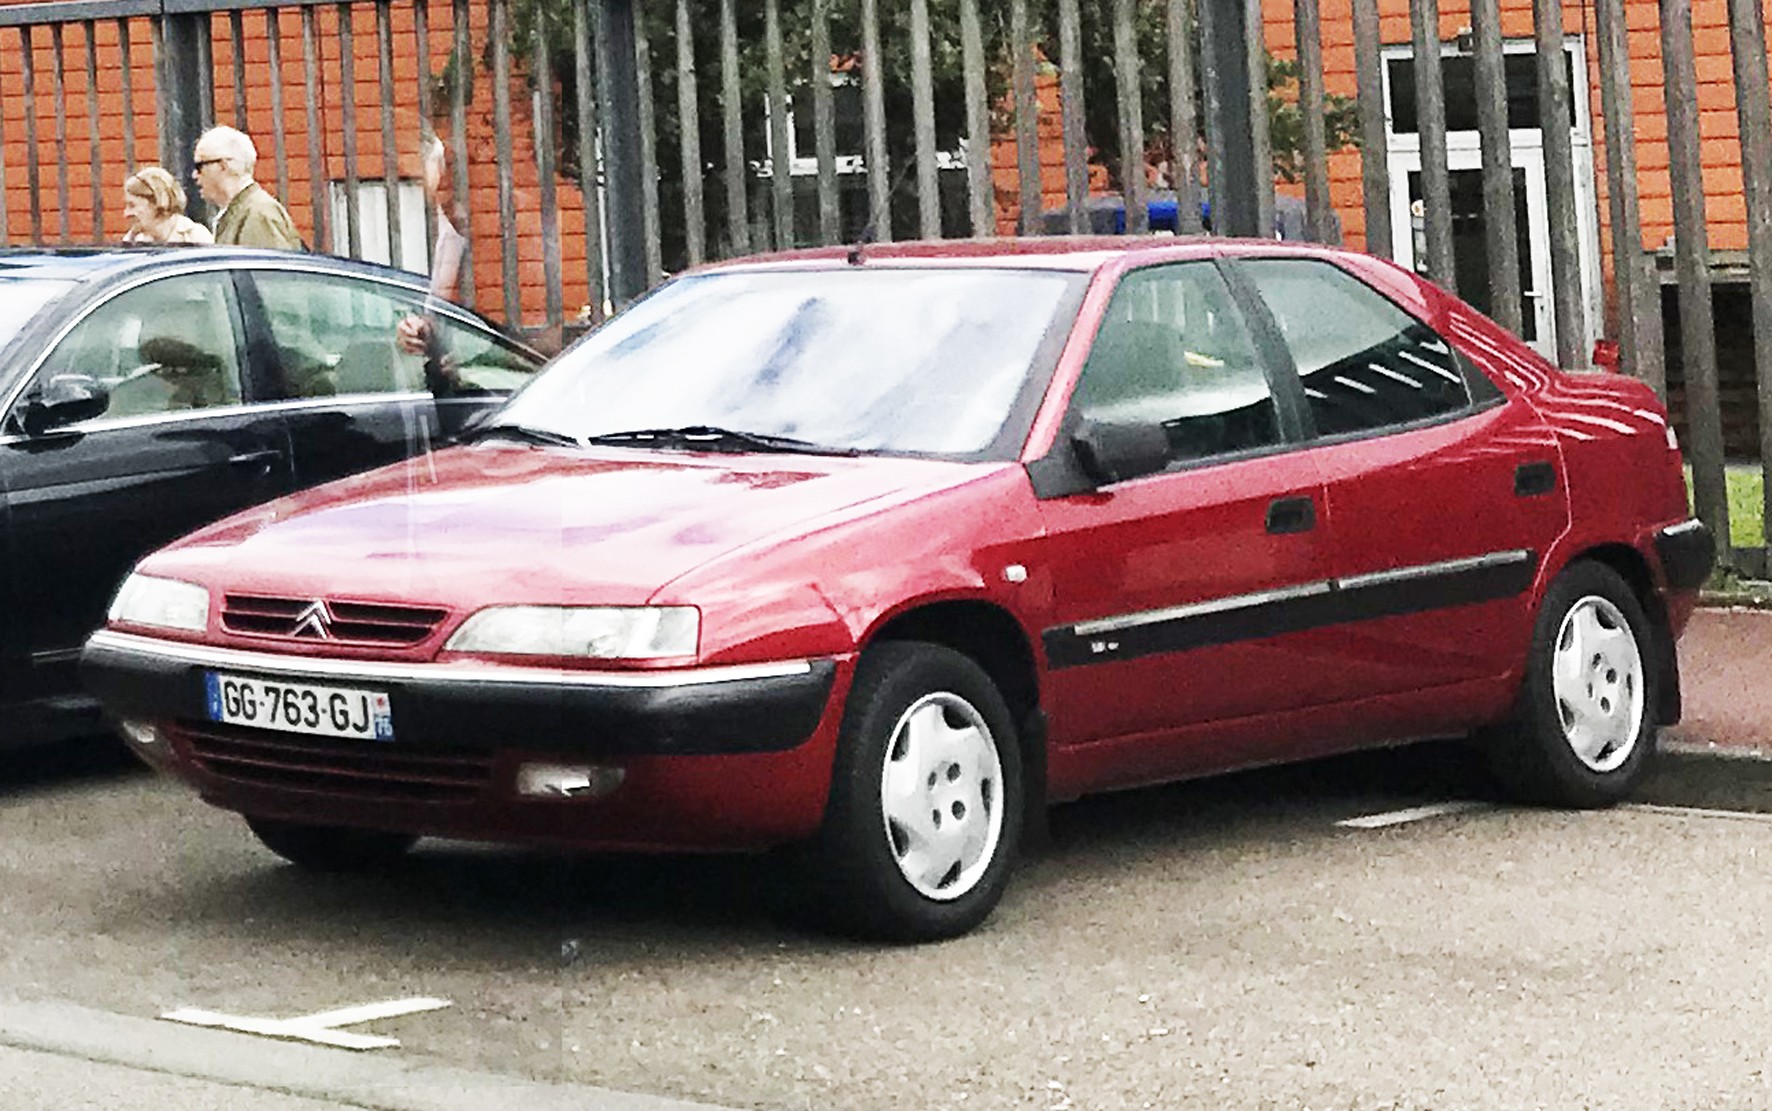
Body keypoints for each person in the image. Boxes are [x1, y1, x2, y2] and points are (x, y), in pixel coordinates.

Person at [193, 125, 304, 250]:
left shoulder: (258, 214)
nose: (194, 175)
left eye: (199, 166)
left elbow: (264, 267)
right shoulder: (242, 211)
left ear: (224, 166)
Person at [121, 166, 213, 245]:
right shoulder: (131, 241)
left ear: (157, 202)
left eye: (132, 205)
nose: (126, 214)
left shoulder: (195, 237)